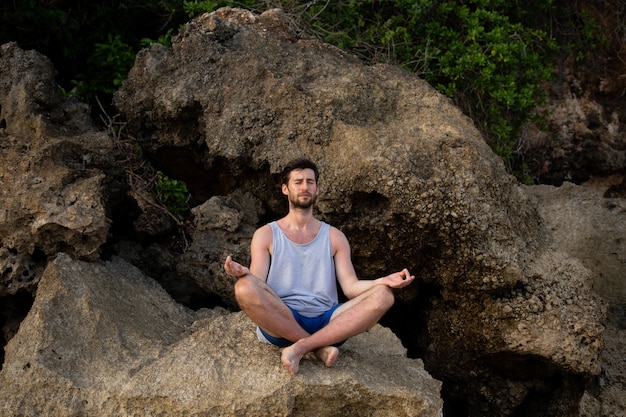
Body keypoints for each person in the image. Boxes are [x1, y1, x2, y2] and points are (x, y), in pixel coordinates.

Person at [224, 158, 414, 375]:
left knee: (384, 296)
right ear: (285, 189)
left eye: (310, 182)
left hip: (328, 322)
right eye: (298, 182)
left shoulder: (335, 236)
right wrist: (244, 274)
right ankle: (318, 348)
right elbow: (258, 284)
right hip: (282, 319)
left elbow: (350, 287)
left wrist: (383, 281)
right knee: (244, 287)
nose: (305, 187)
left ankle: (303, 347)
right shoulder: (266, 234)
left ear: (317, 189)